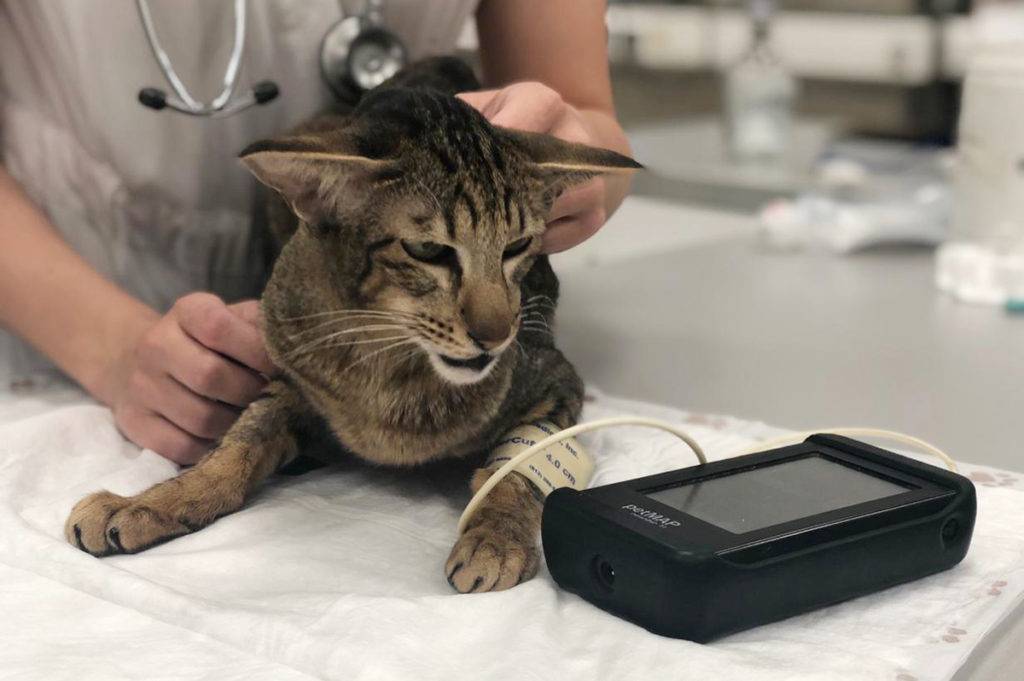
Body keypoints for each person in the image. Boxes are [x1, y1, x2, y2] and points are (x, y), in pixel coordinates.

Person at [0, 0, 632, 464]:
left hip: (395, 338)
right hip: (55, 322)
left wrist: (570, 161)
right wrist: (112, 349)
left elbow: (592, 118)